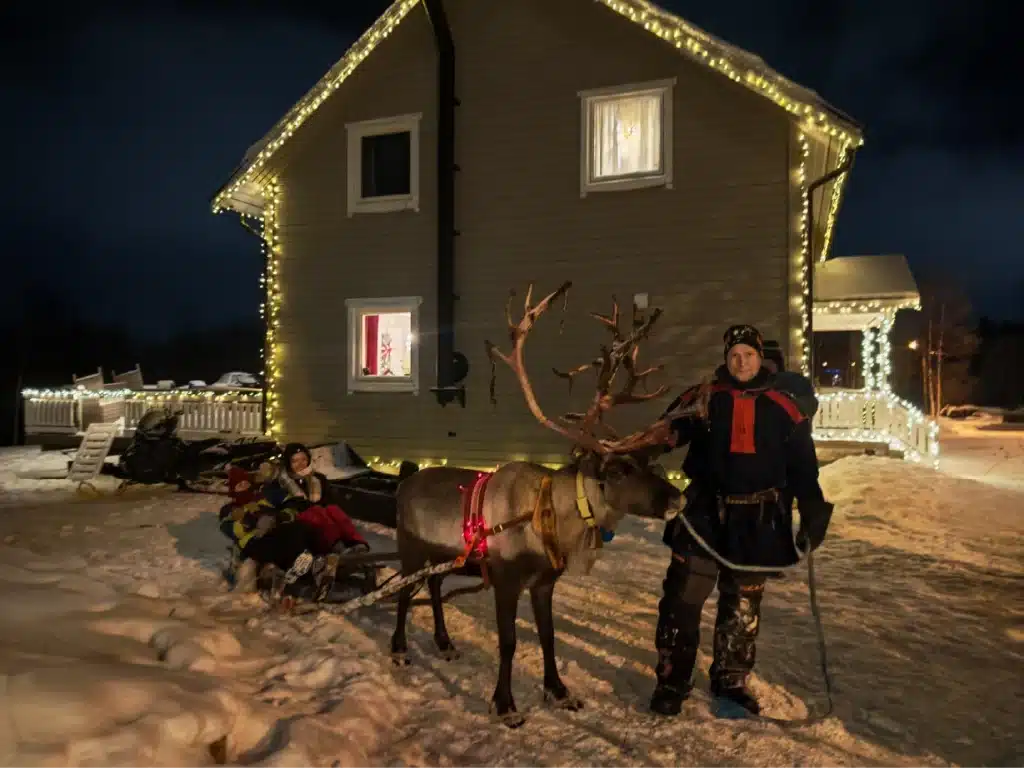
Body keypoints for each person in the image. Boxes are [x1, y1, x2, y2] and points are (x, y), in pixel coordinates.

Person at [649, 324, 834, 718]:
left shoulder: (785, 404)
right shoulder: (705, 396)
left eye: (748, 354)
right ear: (726, 358)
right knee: (683, 598)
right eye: (734, 355)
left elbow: (802, 464)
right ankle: (672, 679)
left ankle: (731, 679)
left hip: (759, 519)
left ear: (759, 357)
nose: (741, 361)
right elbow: (672, 427)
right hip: (704, 515)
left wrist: (813, 506)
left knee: (743, 604)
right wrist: (661, 438)